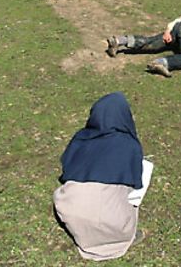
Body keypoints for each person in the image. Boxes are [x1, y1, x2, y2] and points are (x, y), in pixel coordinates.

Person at [54, 92, 153, 261]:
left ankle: (88, 233)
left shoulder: (81, 138)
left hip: (70, 209)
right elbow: (136, 183)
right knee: (145, 169)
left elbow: (66, 170)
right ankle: (116, 236)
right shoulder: (129, 144)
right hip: (112, 221)